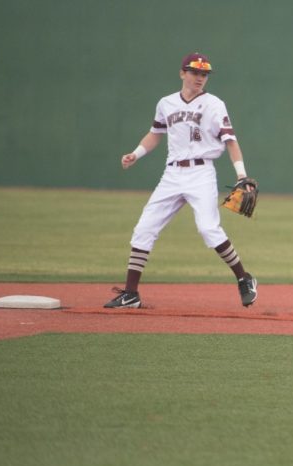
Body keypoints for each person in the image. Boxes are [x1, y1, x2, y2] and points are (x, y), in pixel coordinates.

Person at [105, 52, 257, 309]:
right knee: (144, 228)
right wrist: (136, 153)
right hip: (172, 174)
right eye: (195, 72)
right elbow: (155, 134)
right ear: (182, 73)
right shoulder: (166, 103)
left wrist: (241, 174)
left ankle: (244, 278)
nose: (200, 78)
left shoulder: (214, 104)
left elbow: (230, 140)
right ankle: (131, 293)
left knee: (208, 229)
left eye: (204, 74)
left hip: (201, 173)